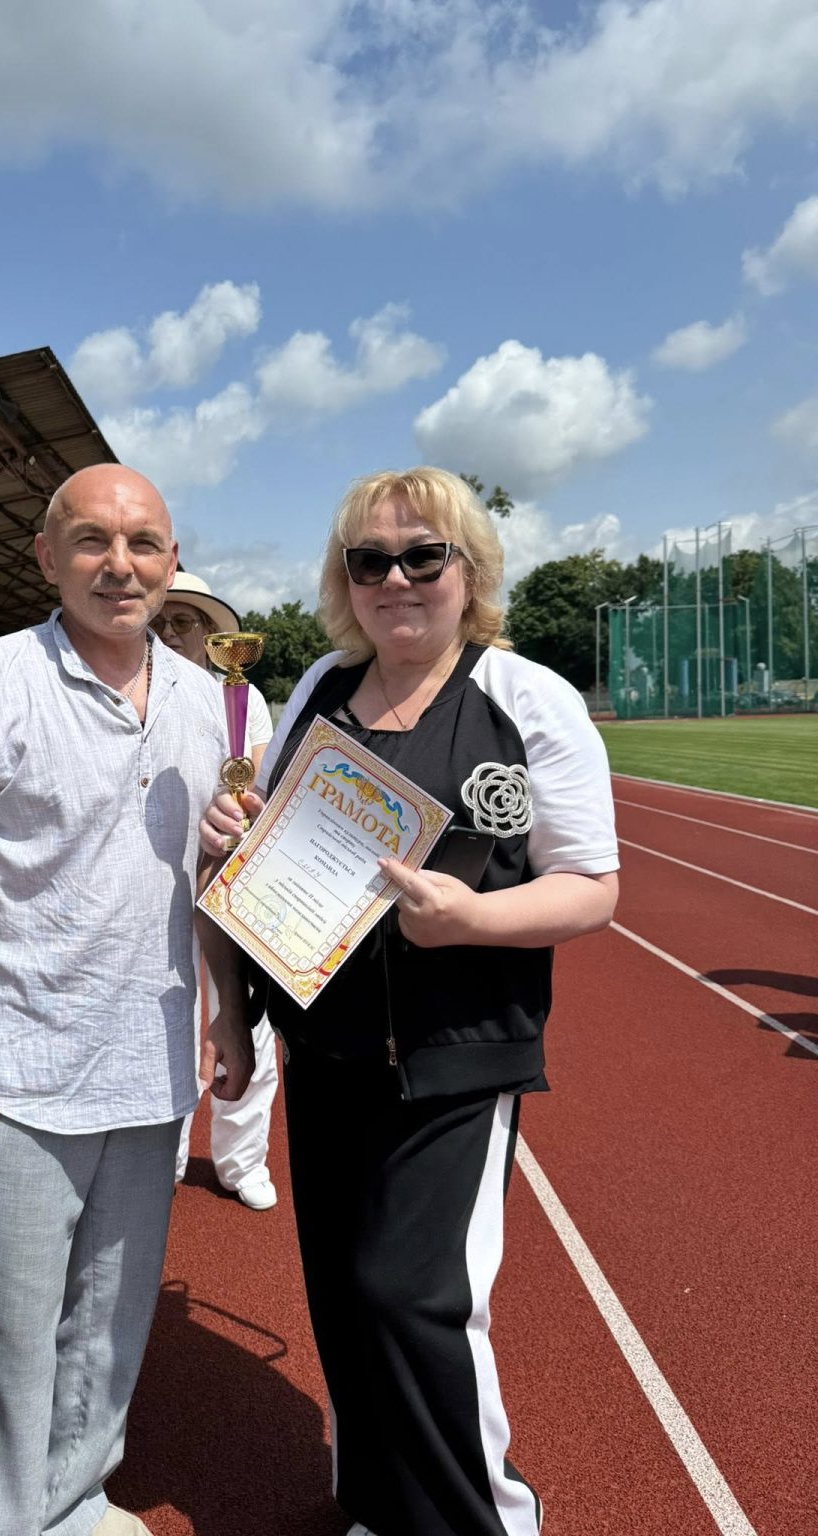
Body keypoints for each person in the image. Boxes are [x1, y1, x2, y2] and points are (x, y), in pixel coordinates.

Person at [202, 468, 619, 1536]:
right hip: (325, 1048)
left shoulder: (527, 699)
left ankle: (487, 1521)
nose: (396, 579)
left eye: (423, 555)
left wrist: (472, 919)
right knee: (345, 1294)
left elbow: (592, 886)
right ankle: (380, 1505)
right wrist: (232, 850)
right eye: (370, 560)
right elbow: (272, 852)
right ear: (344, 578)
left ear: (468, 570)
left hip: (455, 1055)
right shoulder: (318, 689)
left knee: (415, 1297)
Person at [0, 465, 254, 1536]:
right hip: (14, 1075)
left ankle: (72, 1505)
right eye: (92, 540)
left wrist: (228, 1011)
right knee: (7, 1340)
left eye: (143, 543)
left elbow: (212, 878)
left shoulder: (215, 702)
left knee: (108, 1329)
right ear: (46, 557)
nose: (120, 565)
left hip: (150, 1068)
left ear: (173, 562)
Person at [153, 571, 279, 1211]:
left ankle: (241, 1160)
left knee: (247, 1021)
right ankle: (166, 1151)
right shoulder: (131, 692)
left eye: (184, 622)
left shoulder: (241, 696)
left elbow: (257, 775)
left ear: (210, 634)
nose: (170, 633)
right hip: (160, 884)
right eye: (161, 621)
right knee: (166, 1019)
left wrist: (239, 809)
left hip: (234, 878)